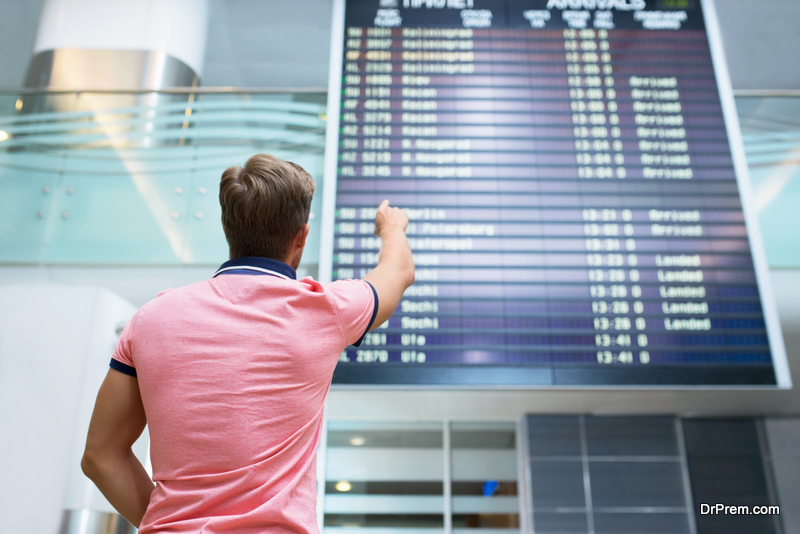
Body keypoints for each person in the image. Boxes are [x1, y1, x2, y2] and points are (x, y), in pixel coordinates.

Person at [80, 153, 415, 533]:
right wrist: (392, 228)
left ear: (228, 229)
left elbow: (100, 456)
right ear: (301, 237)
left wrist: (172, 523)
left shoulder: (150, 319)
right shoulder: (324, 309)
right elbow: (398, 271)